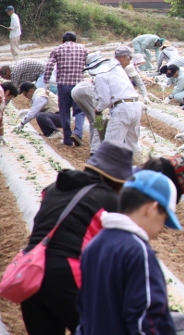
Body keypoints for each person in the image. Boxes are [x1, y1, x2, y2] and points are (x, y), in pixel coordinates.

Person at [21, 141, 132, 335]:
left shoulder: (53, 188)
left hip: (30, 271)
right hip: (66, 275)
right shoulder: (108, 199)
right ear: (117, 180)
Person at [76, 170, 181, 335]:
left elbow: (84, 314)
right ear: (151, 209)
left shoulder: (93, 246)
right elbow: (145, 322)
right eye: (164, 220)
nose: (161, 229)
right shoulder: (138, 252)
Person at [93, 46, 143, 159]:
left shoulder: (108, 71)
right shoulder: (113, 70)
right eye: (129, 58)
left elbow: (104, 102)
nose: (130, 61)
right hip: (133, 105)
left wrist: (98, 110)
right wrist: (99, 111)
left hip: (119, 108)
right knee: (132, 143)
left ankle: (107, 168)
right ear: (122, 58)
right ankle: (135, 169)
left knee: (110, 144)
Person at [43, 31, 88, 147]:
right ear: (75, 40)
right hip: (79, 85)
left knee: (64, 112)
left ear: (62, 40)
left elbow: (49, 65)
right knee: (79, 111)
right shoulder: (83, 49)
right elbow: (88, 65)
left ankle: (67, 138)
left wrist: (46, 82)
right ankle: (77, 133)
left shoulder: (57, 49)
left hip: (63, 85)